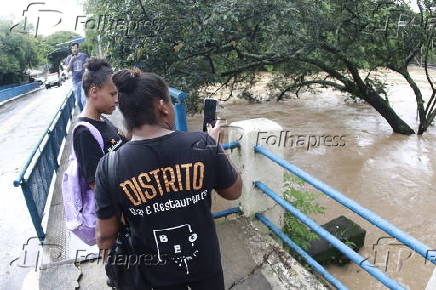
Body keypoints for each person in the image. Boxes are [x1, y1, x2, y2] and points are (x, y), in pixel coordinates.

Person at [94, 69, 242, 289]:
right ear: (163, 106)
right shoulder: (203, 144)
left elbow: (105, 237)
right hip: (206, 268)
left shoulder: (110, 166)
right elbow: (233, 192)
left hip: (153, 277)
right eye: (171, 104)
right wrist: (216, 145)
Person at [73, 57, 127, 193]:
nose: (117, 100)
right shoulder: (84, 133)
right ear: (94, 91)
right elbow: (98, 187)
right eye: (112, 94)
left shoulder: (102, 119)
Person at [65, 42, 89, 111]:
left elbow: (88, 65)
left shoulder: (84, 56)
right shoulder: (69, 58)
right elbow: (67, 70)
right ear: (71, 49)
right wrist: (72, 60)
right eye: (72, 48)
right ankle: (82, 112)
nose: (74, 49)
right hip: (75, 81)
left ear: (78, 48)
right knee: (78, 101)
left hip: (83, 80)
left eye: (75, 48)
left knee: (84, 99)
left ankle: (85, 116)